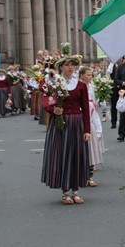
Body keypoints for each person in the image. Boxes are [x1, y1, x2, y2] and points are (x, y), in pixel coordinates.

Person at [41, 52, 91, 204]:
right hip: (60, 124)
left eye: (72, 65)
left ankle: (75, 191)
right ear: (61, 67)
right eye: (67, 65)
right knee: (62, 155)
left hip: (76, 122)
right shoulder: (55, 84)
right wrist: (53, 110)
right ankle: (65, 192)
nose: (70, 67)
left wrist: (87, 130)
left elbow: (85, 109)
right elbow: (47, 103)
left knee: (76, 155)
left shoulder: (81, 85)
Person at [79, 66, 104, 186]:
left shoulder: (91, 89)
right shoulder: (78, 87)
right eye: (87, 75)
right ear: (81, 75)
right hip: (78, 122)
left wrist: (98, 130)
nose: (90, 77)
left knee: (90, 150)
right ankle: (80, 176)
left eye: (90, 75)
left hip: (89, 121)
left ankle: (90, 177)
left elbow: (93, 112)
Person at [112, 59, 125, 141]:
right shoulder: (121, 67)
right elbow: (116, 80)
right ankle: (121, 133)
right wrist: (124, 83)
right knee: (123, 113)